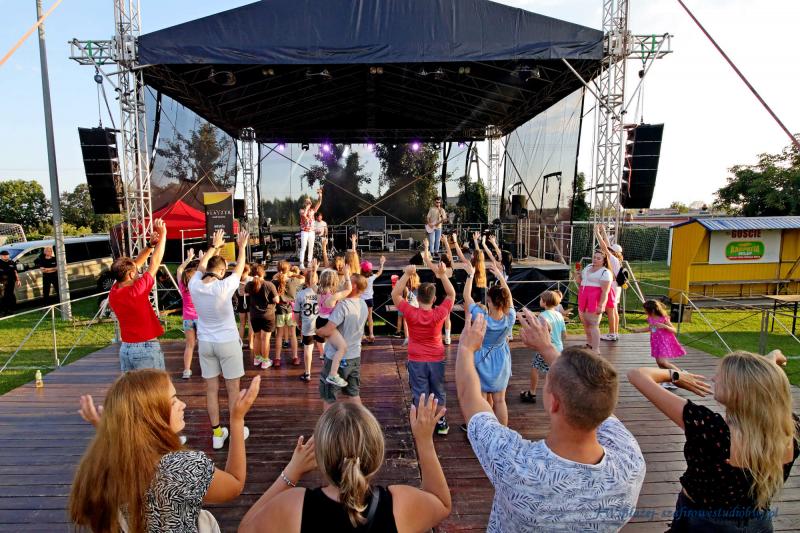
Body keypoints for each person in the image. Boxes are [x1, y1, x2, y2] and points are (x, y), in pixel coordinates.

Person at [457, 310, 646, 531]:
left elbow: (470, 398)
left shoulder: (517, 467)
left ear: (554, 402)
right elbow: (592, 394)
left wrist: (466, 349)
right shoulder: (630, 461)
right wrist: (546, 348)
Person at [70, 369, 260, 532]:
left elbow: (126, 443)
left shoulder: (102, 465)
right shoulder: (182, 467)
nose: (182, 404)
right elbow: (235, 484)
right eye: (173, 400)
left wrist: (108, 429)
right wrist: (237, 419)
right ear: (151, 415)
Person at [628, 350, 799, 531]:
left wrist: (675, 375)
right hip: (758, 523)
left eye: (722, 377)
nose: (714, 378)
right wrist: (771, 358)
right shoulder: (791, 429)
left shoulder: (710, 429)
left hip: (702, 524)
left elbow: (636, 375)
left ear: (739, 391)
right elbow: (764, 385)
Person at [239, 397, 452, 533]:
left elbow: (246, 528)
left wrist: (291, 473)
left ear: (321, 457)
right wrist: (424, 441)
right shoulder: (399, 505)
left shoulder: (294, 507)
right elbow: (442, 504)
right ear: (377, 453)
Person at [189, 228, 252, 450]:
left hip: (205, 343)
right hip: (227, 343)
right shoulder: (224, 286)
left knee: (211, 389)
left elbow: (200, 266)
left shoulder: (194, 284)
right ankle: (236, 431)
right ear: (223, 270)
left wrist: (214, 247)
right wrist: (242, 247)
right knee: (233, 389)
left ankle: (217, 434)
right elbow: (240, 267)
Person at [391, 263, 456, 435]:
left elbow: (395, 294)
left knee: (421, 393)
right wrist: (442, 275)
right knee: (438, 391)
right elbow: (451, 294)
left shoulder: (410, 312)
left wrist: (407, 274)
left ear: (418, 298)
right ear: (434, 299)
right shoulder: (439, 313)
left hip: (416, 359)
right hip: (436, 358)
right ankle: (441, 422)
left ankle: (423, 424)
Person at [108, 219, 168, 371]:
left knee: (132, 387)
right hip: (146, 347)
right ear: (130, 274)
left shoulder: (114, 291)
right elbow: (155, 263)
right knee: (156, 386)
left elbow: (135, 265)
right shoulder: (137, 291)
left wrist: (150, 245)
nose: (138, 272)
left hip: (126, 348)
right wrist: (163, 235)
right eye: (135, 272)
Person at [462, 262, 515, 425]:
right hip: (501, 358)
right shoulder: (510, 318)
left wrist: (471, 275)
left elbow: (467, 297)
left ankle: (486, 429)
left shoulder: (480, 317)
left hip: (481, 357)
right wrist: (501, 277)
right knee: (500, 400)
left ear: (489, 302)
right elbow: (509, 299)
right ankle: (502, 432)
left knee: (483, 399)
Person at [316, 274, 369, 409]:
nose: (344, 283)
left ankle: (327, 423)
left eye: (348, 281)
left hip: (336, 359)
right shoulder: (363, 304)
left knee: (329, 397)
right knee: (354, 395)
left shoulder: (343, 306)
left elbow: (327, 330)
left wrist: (316, 331)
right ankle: (362, 421)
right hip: (355, 356)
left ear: (354, 286)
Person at [520, 289, 566, 404]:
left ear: (544, 302)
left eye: (541, 299)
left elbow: (542, 331)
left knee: (535, 368)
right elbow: (564, 334)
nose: (539, 301)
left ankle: (532, 393)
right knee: (553, 371)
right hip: (559, 348)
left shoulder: (542, 316)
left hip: (546, 347)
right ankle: (558, 395)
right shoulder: (559, 315)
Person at [629, 299, 686, 390]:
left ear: (652, 310)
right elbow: (651, 328)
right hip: (656, 343)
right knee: (659, 363)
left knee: (663, 362)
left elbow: (674, 330)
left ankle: (681, 374)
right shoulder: (650, 318)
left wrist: (665, 326)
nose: (645, 311)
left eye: (646, 310)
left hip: (663, 342)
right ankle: (667, 380)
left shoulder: (663, 319)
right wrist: (638, 330)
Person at [576, 250, 612, 351]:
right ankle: (589, 343)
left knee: (593, 324)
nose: (595, 259)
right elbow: (579, 281)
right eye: (594, 257)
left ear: (604, 261)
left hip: (594, 299)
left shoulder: (605, 272)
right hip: (583, 297)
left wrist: (601, 305)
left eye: (598, 258)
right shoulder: (588, 267)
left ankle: (596, 349)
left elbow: (605, 291)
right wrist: (577, 274)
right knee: (585, 324)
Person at [246, 264, 279, 370]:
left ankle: (257, 359)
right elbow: (276, 300)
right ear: (263, 273)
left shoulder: (249, 284)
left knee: (257, 337)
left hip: (254, 315)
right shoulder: (269, 284)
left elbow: (246, 293)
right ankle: (265, 361)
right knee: (265, 339)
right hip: (267, 315)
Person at [294, 262, 323, 382]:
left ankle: (307, 373)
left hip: (307, 324)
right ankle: (328, 372)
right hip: (320, 324)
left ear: (306, 281)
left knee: (308, 348)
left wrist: (298, 324)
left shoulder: (300, 294)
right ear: (317, 280)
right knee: (323, 349)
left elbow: (296, 313)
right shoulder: (321, 292)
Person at [596, 224, 623, 342]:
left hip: (611, 287)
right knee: (614, 311)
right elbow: (607, 245)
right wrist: (603, 230)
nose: (608, 249)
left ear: (613, 252)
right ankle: (615, 333)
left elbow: (604, 246)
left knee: (610, 310)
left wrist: (597, 233)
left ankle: (612, 333)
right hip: (617, 287)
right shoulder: (617, 259)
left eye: (611, 250)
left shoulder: (612, 258)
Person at [176, 249, 199, 379]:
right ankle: (207, 369)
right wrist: (201, 259)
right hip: (200, 319)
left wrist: (188, 259)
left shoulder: (182, 287)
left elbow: (179, 269)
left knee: (189, 345)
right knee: (204, 344)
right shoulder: (199, 286)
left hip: (187, 319)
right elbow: (206, 272)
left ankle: (186, 370)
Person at [452, 233, 487, 305]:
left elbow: (460, 254)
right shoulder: (482, 265)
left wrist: (455, 242)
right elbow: (479, 253)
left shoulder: (471, 265)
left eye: (472, 254)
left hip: (471, 294)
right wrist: (475, 240)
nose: (471, 254)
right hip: (479, 296)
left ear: (474, 256)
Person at [359, 256, 386, 344]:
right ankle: (371, 334)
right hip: (369, 300)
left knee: (361, 318)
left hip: (361, 301)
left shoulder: (360, 278)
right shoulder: (371, 277)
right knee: (370, 317)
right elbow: (379, 272)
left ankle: (363, 335)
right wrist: (382, 263)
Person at [298, 188, 323, 269]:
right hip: (304, 231)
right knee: (303, 247)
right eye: (307, 201)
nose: (309, 202)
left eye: (309, 201)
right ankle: (301, 263)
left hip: (311, 231)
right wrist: (307, 207)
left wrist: (320, 195)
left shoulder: (312, 210)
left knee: (311, 247)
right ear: (305, 203)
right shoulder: (301, 210)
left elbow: (319, 203)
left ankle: (309, 262)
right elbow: (304, 216)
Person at [235, 263, 254, 349]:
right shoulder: (251, 279)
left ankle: (240, 343)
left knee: (242, 324)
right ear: (248, 270)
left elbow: (236, 292)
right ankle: (251, 344)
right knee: (250, 324)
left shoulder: (237, 280)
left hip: (241, 301)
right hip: (250, 301)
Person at [0, 249, 20, 316]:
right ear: (1, 256)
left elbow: (15, 272)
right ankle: (3, 311)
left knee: (10, 295)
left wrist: (18, 280)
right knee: (3, 296)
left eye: (7, 255)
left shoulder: (12, 262)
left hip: (11, 281)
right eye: (4, 255)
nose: (6, 256)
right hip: (2, 282)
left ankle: (11, 310)